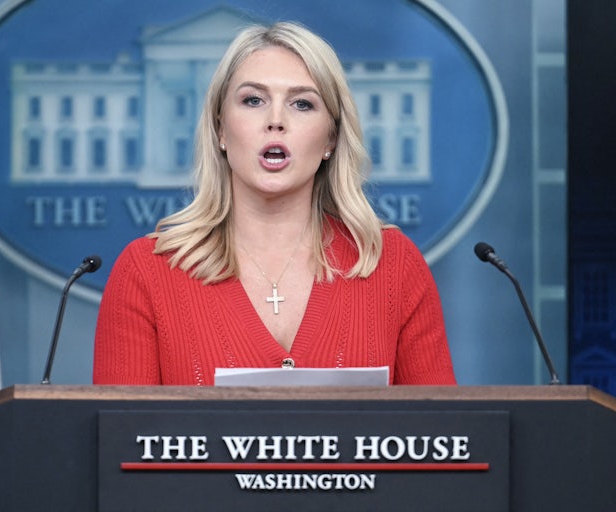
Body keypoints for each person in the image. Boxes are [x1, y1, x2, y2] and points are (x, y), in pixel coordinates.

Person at [93, 21, 456, 386]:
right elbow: (121, 438)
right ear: (221, 129)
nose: (276, 121)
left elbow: (445, 436)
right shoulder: (146, 273)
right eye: (253, 100)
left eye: (302, 103)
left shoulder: (393, 264)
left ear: (331, 137)